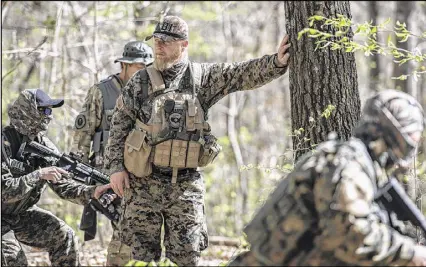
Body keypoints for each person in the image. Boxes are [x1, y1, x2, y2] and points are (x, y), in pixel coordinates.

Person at [103, 15, 291, 266]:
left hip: (185, 186)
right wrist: (116, 168)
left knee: (187, 258)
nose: (159, 45)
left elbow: (240, 74)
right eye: (156, 40)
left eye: (166, 41)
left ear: (184, 45)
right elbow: (119, 125)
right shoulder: (140, 81)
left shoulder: (202, 77)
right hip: (142, 184)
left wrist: (276, 62)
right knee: (140, 260)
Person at [227, 89, 426, 266]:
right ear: (395, 136)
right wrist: (411, 253)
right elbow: (351, 237)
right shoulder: (349, 165)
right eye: (411, 138)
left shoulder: (360, 166)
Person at [1, 89, 113, 266]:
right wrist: (38, 174)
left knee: (64, 236)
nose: (48, 116)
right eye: (44, 110)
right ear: (27, 111)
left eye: (50, 111)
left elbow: (64, 187)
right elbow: (4, 190)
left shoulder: (44, 146)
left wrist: (93, 192)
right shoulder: (4, 142)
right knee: (14, 259)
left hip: (21, 215)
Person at [71, 41, 154, 266]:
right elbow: (82, 136)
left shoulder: (150, 93)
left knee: (138, 234)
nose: (144, 72)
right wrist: (82, 182)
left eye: (147, 67)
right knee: (125, 233)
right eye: (139, 67)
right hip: (107, 176)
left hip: (140, 175)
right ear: (124, 66)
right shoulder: (101, 92)